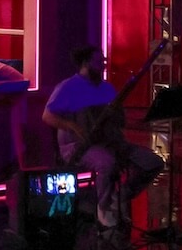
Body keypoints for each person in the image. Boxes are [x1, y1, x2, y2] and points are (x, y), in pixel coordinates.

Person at [41, 44, 164, 231]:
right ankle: (103, 207)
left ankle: (119, 196)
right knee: (107, 162)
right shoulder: (68, 87)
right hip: (78, 146)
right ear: (85, 63)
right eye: (99, 61)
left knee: (153, 162)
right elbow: (47, 116)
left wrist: (117, 116)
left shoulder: (107, 88)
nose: (103, 65)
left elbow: (120, 122)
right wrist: (73, 126)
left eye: (103, 61)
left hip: (109, 142)